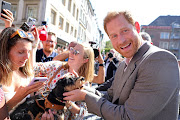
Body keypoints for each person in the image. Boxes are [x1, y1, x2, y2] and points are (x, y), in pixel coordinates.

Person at [63, 11, 180, 120]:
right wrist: (82, 88)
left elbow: (129, 116)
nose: (121, 40)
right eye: (114, 36)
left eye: (125, 31)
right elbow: (110, 96)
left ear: (137, 27)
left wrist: (85, 96)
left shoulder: (159, 59)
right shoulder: (125, 63)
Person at [34, 43, 102, 120]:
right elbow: (34, 68)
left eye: (76, 52)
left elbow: (82, 113)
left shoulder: (83, 83)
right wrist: (34, 46)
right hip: (38, 113)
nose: (71, 53)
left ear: (85, 60)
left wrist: (68, 103)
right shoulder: (57, 67)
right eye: (72, 50)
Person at [0, 27, 44, 113]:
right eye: (21, 52)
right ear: (6, 51)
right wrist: (17, 98)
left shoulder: (26, 74)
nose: (27, 57)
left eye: (28, 52)